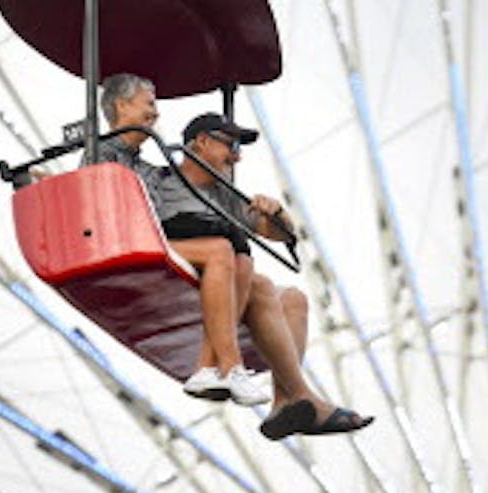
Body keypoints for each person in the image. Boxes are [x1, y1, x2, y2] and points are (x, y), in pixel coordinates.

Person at [98, 74, 373, 439]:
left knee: (291, 297)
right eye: (230, 144)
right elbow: (122, 198)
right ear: (200, 142)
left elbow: (277, 234)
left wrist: (276, 213)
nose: (237, 155)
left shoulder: (226, 195)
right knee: (232, 254)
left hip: (219, 272)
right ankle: (234, 369)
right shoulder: (161, 179)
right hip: (170, 261)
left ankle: (286, 400)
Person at [96, 74, 267, 406]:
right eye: (149, 104)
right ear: (122, 105)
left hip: (148, 240)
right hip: (124, 242)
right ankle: (231, 367)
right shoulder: (103, 154)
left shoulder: (146, 167)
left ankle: (206, 368)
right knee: (220, 250)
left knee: (241, 256)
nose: (156, 114)